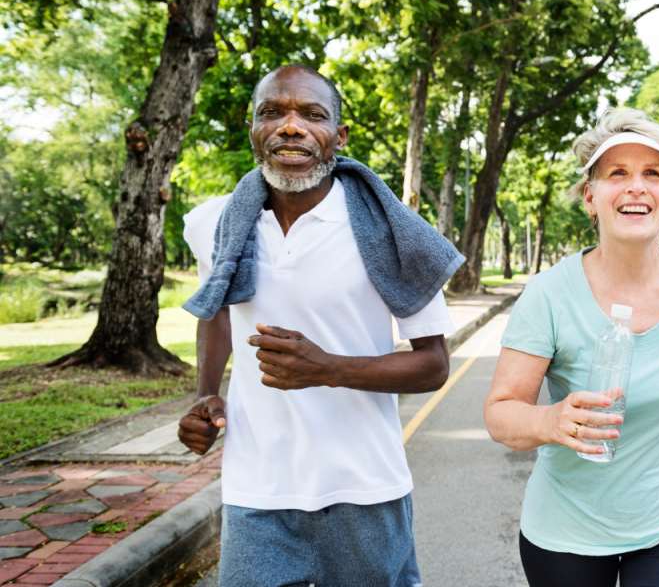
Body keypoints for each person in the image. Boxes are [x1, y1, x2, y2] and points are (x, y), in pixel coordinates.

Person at [175, 64, 463, 586]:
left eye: (312, 114)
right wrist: (203, 394)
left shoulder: (392, 233)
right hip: (256, 488)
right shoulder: (213, 223)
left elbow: (434, 366)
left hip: (364, 489)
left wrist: (328, 368)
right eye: (272, 113)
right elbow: (217, 310)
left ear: (338, 136)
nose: (291, 126)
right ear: (253, 130)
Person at [483, 108, 659, 587]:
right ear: (591, 197)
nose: (636, 187)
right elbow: (501, 413)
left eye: (653, 174)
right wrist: (550, 420)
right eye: (617, 174)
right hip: (569, 529)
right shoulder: (549, 293)